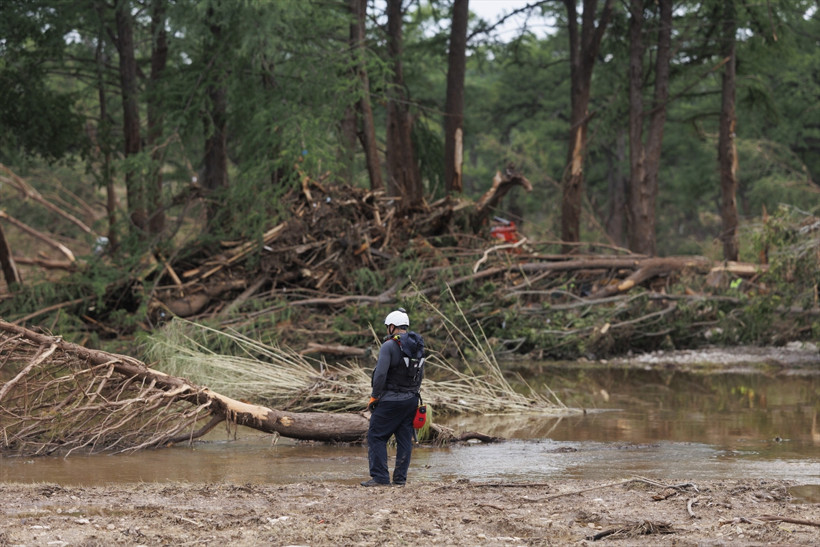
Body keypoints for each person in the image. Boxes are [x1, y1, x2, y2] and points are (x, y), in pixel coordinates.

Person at [361, 308, 424, 487]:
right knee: (404, 438)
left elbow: (380, 374)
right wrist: (412, 394)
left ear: (392, 327)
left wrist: (375, 396)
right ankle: (399, 479)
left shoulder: (389, 346)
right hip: (411, 399)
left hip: (391, 400)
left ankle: (380, 478)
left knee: (376, 436)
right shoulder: (418, 345)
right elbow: (421, 375)